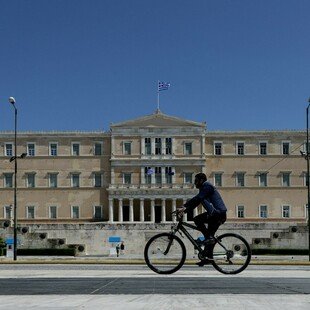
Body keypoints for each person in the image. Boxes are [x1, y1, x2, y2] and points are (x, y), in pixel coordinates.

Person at [177, 172, 227, 266]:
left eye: (196, 181)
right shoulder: (203, 189)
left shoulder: (207, 187)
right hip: (215, 214)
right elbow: (196, 202)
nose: (194, 183)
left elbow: (198, 198)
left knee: (197, 219)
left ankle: (209, 239)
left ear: (201, 180)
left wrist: (184, 206)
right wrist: (185, 210)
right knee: (209, 237)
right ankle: (208, 257)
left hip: (218, 214)